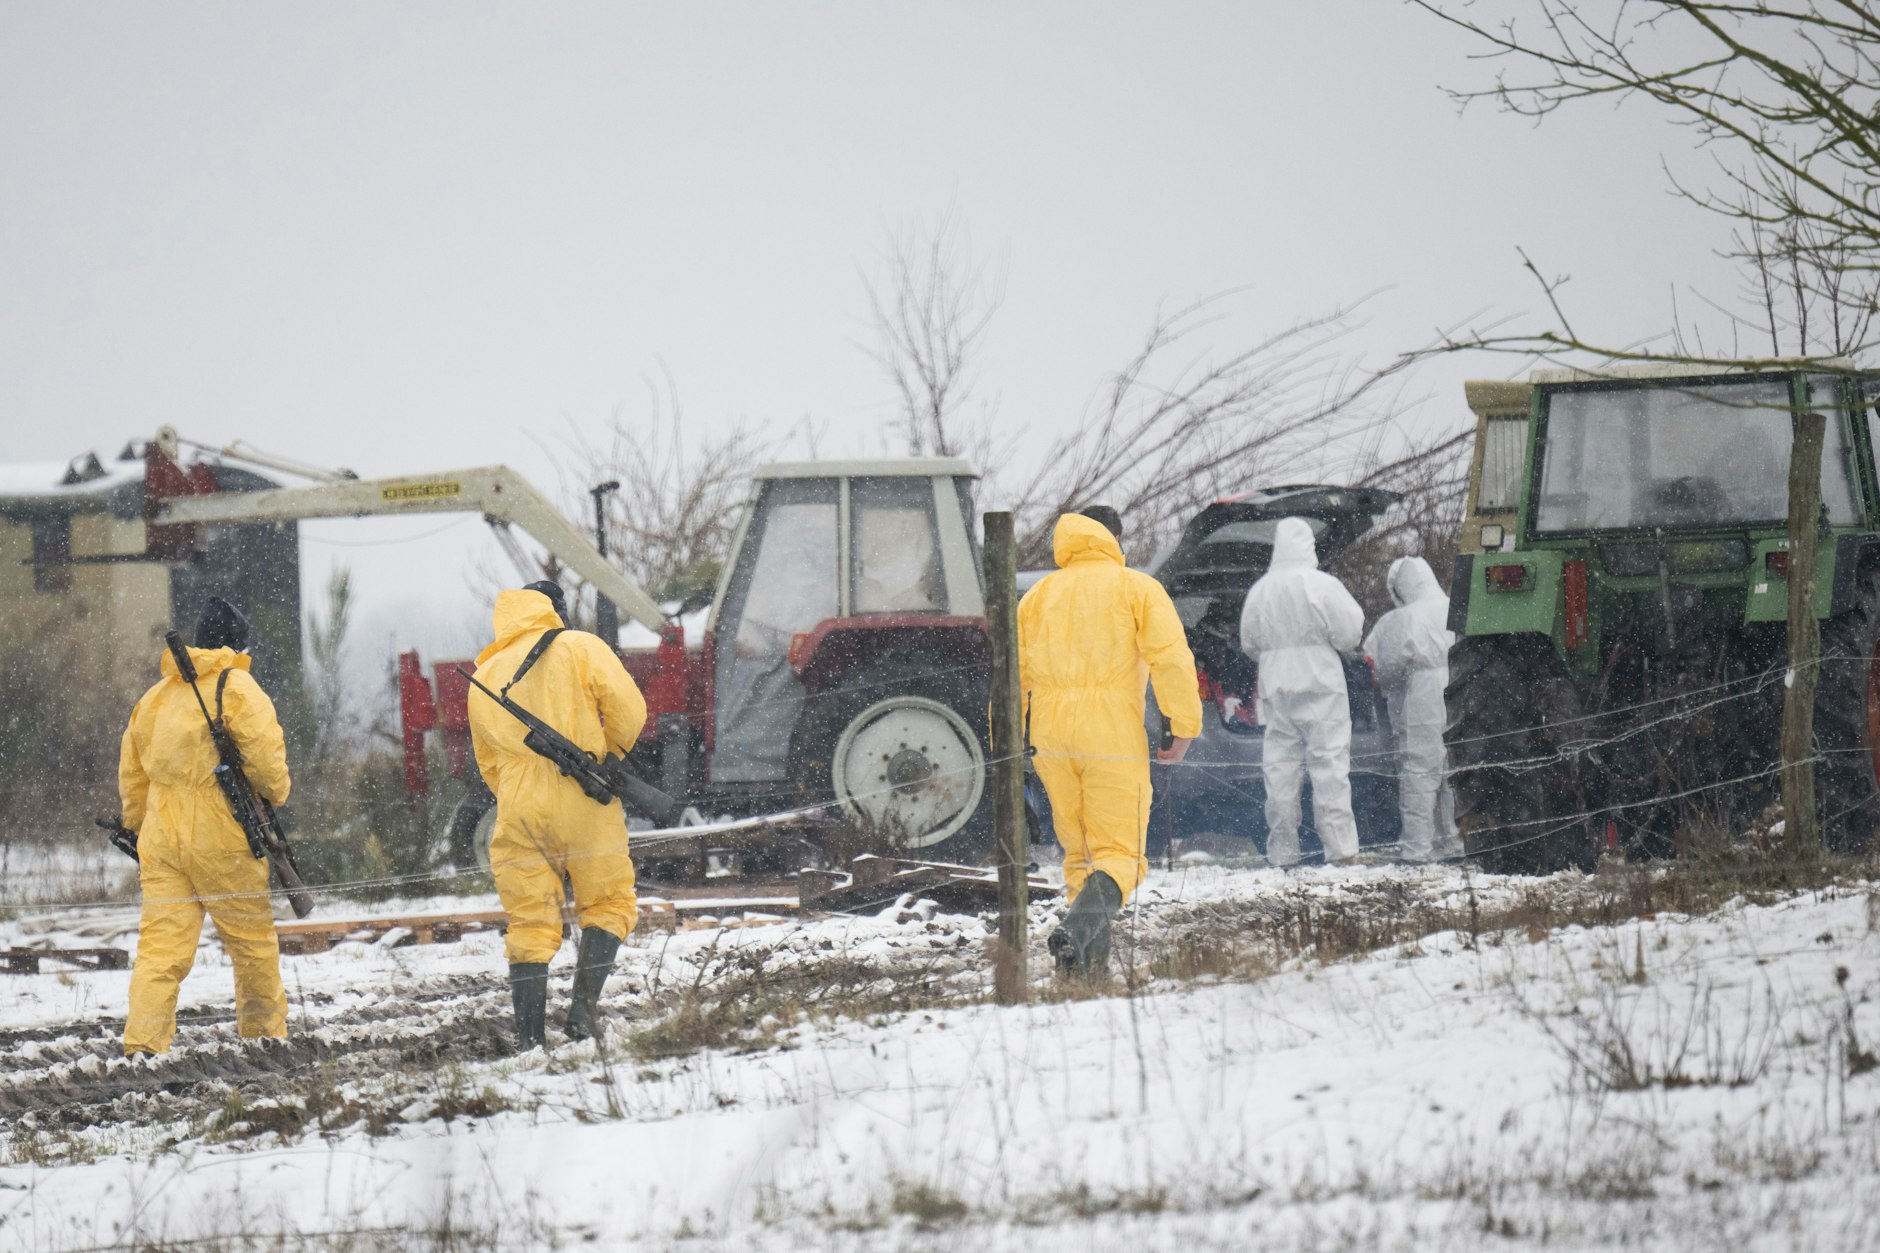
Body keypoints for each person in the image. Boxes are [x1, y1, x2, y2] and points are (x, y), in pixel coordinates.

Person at [1019, 508, 1202, 979]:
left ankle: (1085, 972)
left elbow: (1012, 676)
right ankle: (1076, 930)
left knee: (1079, 854)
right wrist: (1182, 724)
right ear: (1113, 540)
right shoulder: (1136, 588)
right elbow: (1170, 658)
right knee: (1122, 855)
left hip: (1049, 733)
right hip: (1109, 730)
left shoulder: (1037, 597)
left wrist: (1010, 740)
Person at [468, 580, 648, 1049]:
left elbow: (487, 762)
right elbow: (630, 711)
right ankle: (582, 1019)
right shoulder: (580, 646)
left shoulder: (485, 673)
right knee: (608, 903)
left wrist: (519, 794)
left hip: (518, 808)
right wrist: (608, 759)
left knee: (530, 920)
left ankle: (529, 1039)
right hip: (584, 798)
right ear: (555, 610)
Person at [119, 598, 290, 1056]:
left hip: (161, 839)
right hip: (222, 836)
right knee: (251, 943)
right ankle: (264, 1039)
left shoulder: (153, 698)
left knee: (160, 949)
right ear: (237, 642)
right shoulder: (239, 687)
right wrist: (275, 795)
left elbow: (133, 778)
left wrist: (138, 828)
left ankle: (143, 1046)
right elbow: (268, 768)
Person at [1239, 517, 1365, 867]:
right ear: (1309, 545)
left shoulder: (1260, 590)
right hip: (1322, 687)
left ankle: (1283, 854)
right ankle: (1340, 852)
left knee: (1279, 773)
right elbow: (1349, 634)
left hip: (1276, 688)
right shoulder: (1323, 585)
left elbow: (1249, 643)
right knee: (1330, 769)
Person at [1363, 556, 1462, 863]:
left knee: (1419, 771)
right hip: (1460, 686)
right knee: (1454, 771)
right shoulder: (1456, 607)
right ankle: (1455, 846)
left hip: (1423, 694)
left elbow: (1386, 671)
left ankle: (1417, 850)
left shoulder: (1402, 619)